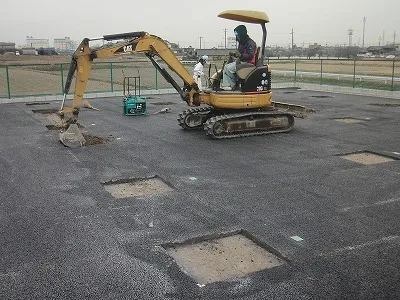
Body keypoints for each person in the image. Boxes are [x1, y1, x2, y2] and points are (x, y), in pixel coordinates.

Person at [222, 25, 257, 90]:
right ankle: (231, 84)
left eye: (237, 35)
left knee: (228, 68)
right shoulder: (243, 43)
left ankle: (230, 86)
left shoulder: (250, 43)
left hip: (248, 64)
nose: (236, 37)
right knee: (226, 66)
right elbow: (240, 54)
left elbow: (250, 56)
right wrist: (234, 54)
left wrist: (240, 55)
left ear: (242, 34)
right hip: (242, 62)